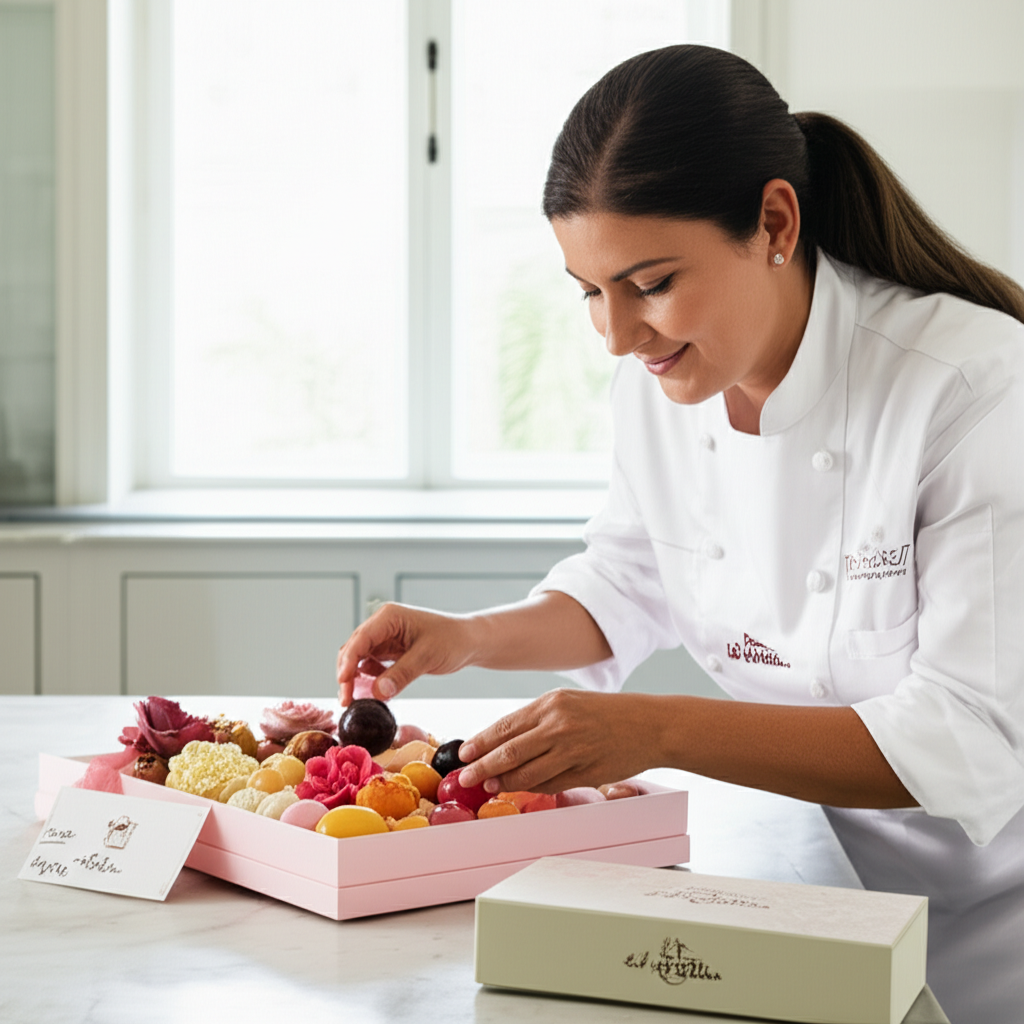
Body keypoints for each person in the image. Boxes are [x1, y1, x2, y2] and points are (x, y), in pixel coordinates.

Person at [337, 45, 1024, 1024]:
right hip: (824, 884)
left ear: (773, 223)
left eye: (649, 282)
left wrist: (653, 729)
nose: (616, 335)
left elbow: (966, 739)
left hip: (1002, 919)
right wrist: (473, 636)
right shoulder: (660, 383)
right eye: (588, 291)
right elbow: (630, 576)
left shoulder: (972, 385)